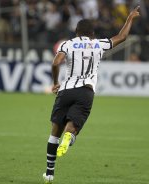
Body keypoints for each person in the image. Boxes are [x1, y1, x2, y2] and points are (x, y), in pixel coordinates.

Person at [42, 6, 140, 184]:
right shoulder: (98, 44)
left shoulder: (67, 44)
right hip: (86, 91)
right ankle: (69, 137)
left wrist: (55, 82)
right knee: (73, 127)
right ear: (92, 33)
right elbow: (122, 37)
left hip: (66, 89)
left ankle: (49, 173)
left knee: (54, 132)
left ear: (76, 32)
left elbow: (56, 63)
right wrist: (130, 18)